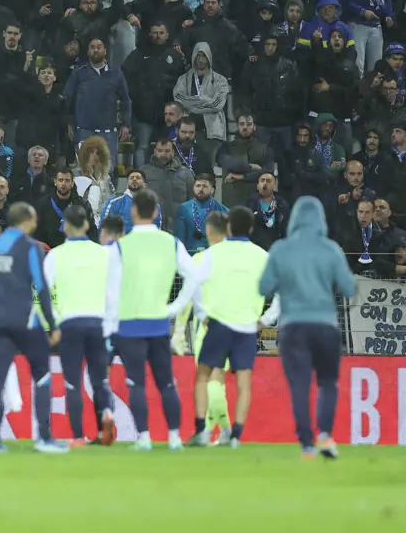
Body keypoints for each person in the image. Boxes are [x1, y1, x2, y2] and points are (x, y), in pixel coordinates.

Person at [259, 196, 356, 459]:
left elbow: (263, 288)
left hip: (293, 327)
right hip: (326, 326)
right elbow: (349, 288)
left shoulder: (280, 249)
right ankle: (325, 436)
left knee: (300, 386)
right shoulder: (331, 249)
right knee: (327, 383)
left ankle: (306, 445)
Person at [168, 207, 270, 448]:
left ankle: (214, 430)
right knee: (226, 381)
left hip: (211, 325)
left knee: (209, 378)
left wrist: (179, 329)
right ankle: (227, 432)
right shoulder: (260, 255)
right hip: (245, 325)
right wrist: (264, 318)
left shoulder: (205, 257)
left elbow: (188, 296)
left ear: (209, 231)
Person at [104, 188, 194, 451]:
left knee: (136, 383)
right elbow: (194, 276)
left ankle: (144, 438)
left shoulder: (119, 247)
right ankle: (175, 437)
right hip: (158, 323)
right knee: (166, 382)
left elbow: (111, 291)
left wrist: (110, 325)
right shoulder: (172, 243)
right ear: (156, 212)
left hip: (129, 324)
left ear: (133, 212)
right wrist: (174, 307)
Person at [0, 202, 66, 454]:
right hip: (25, 322)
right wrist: (52, 323)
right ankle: (44, 438)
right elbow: (41, 286)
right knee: (42, 375)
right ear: (27, 219)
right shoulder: (30, 248)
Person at [43, 203, 116, 446]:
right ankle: (106, 414)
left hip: (70, 324)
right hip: (98, 322)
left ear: (64, 227)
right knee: (99, 380)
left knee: (72, 381)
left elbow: (44, 293)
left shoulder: (55, 255)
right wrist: (110, 323)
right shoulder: (103, 253)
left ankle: (77, 437)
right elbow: (113, 293)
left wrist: (53, 324)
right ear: (86, 224)